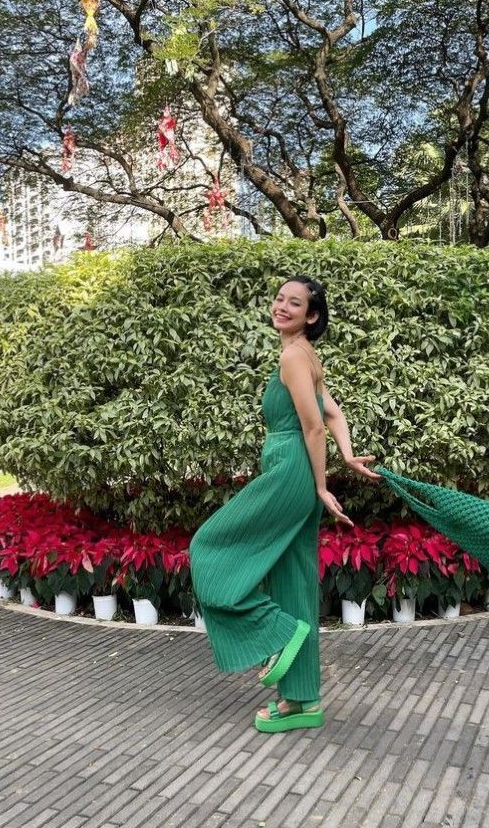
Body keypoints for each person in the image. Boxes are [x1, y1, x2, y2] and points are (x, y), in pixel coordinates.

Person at [188, 275, 381, 733]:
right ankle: (301, 700)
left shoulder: (295, 356)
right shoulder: (306, 356)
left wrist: (319, 485)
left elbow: (314, 427)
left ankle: (276, 631)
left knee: (208, 548)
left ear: (311, 316)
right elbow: (333, 413)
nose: (282, 306)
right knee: (293, 579)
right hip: (296, 471)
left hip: (291, 471)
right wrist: (348, 456)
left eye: (294, 303)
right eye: (279, 298)